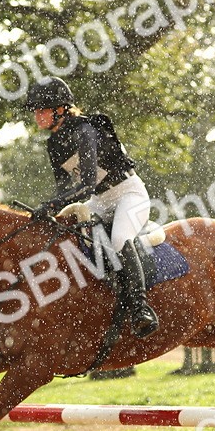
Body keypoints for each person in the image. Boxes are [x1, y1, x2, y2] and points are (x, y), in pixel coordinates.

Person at [24, 77, 160, 338]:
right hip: (99, 201)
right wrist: (47, 209)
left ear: (61, 109)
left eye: (42, 109)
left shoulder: (84, 130)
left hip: (128, 193)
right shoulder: (53, 143)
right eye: (35, 110)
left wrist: (53, 204)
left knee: (120, 238)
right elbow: (64, 188)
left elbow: (86, 183)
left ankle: (141, 308)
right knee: (67, 236)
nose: (37, 115)